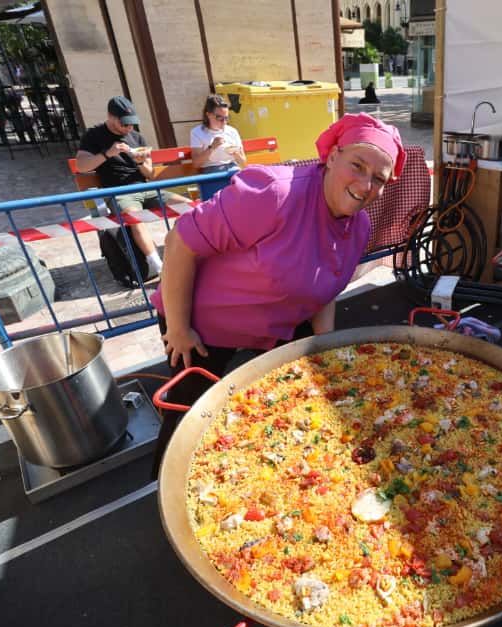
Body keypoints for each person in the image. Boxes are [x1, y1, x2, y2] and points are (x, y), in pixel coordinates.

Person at [150, 112, 404, 468]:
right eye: (357, 166)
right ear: (332, 157)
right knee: (191, 419)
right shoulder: (275, 192)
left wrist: (325, 349)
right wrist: (178, 328)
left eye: (379, 178)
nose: (365, 185)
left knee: (285, 404)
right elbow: (180, 240)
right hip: (200, 322)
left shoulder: (358, 224)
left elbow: (326, 284)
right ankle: (162, 484)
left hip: (277, 323)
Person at [75, 96, 185, 279]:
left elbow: (149, 174)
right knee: (135, 219)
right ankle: (159, 267)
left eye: (132, 123)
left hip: (146, 188)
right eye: (124, 124)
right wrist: (107, 153)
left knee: (189, 207)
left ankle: (183, 251)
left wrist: (141, 163)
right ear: (110, 117)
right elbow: (81, 166)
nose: (129, 128)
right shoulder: (94, 136)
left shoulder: (137, 137)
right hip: (120, 192)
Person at [190, 94, 246, 173]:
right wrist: (212, 147)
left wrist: (236, 154)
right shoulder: (197, 132)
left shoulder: (232, 131)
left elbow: (243, 162)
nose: (224, 122)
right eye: (219, 117)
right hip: (212, 171)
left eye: (226, 118)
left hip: (233, 168)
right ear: (208, 115)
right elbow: (196, 164)